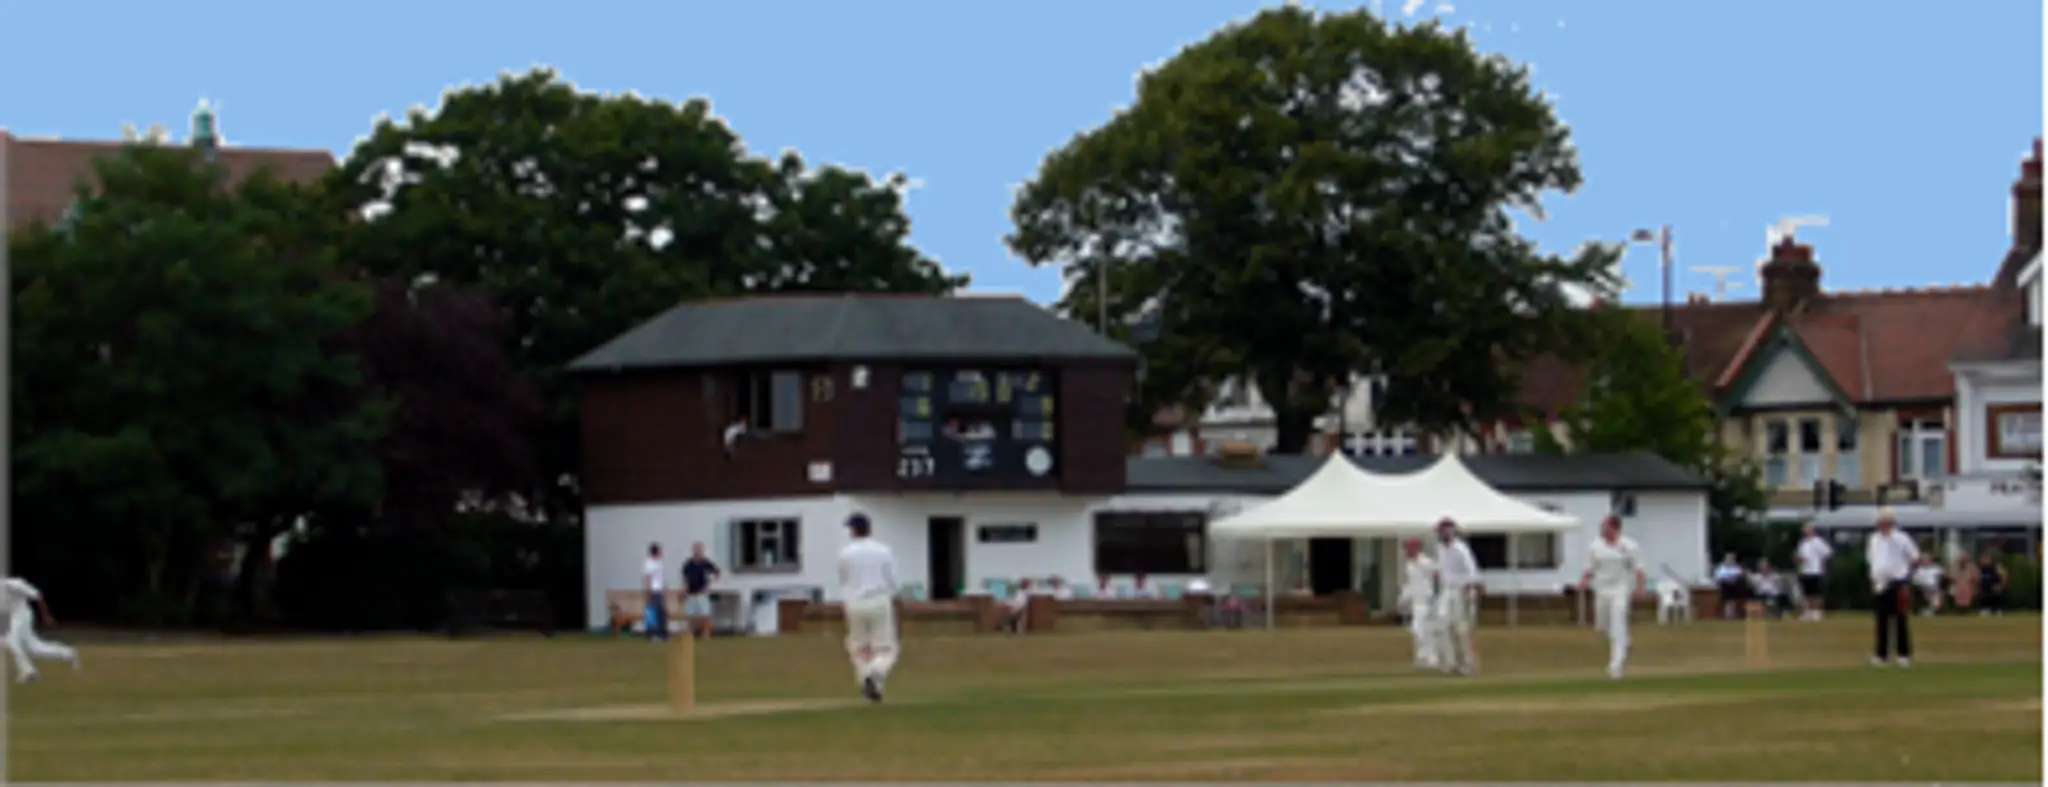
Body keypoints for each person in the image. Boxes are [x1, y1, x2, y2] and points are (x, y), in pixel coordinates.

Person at [838, 512, 901, 702]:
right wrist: (897, 598)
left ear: (854, 530)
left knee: (859, 648)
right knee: (886, 649)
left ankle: (870, 685)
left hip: (854, 602)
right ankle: (875, 673)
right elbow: (892, 579)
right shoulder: (883, 550)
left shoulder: (845, 553)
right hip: (879, 600)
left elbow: (843, 579)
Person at [1578, 515, 1647, 680]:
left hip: (1620, 590)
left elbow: (1639, 569)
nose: (1602, 529)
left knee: (1618, 625)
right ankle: (1625, 641)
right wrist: (1583, 581)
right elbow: (1589, 568)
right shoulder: (1595, 547)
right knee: (1602, 627)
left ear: (1614, 528)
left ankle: (1616, 666)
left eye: (1605, 526)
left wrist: (1640, 588)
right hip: (1601, 590)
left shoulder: (1629, 546)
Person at [1864, 509, 1919, 667]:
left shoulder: (1901, 538)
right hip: (1879, 583)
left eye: (1883, 521)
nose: (1880, 525)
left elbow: (1914, 556)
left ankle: (1903, 654)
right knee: (1881, 620)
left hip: (1897, 581)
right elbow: (1871, 558)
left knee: (1900, 619)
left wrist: (1904, 574)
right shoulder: (1874, 539)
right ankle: (1881, 654)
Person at [1432, 518, 1482, 677]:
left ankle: (1468, 664)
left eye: (1443, 532)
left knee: (1461, 629)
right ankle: (1450, 662)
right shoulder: (1440, 549)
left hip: (1461, 590)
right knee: (1441, 626)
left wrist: (1471, 588)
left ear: (1450, 532)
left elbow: (1472, 570)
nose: (1441, 535)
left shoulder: (1460, 548)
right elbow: (1441, 569)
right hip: (1446, 590)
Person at [6, 577, 79, 683]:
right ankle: (68, 653)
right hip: (13, 619)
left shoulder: (15, 584)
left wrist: (46, 616)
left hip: (22, 616)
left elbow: (37, 596)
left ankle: (29, 672)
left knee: (12, 641)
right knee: (34, 647)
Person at [1398, 537, 1438, 669]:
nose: (1405, 551)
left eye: (1408, 548)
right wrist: (1403, 599)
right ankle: (1423, 657)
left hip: (1427, 600)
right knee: (1419, 630)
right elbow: (1410, 584)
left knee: (1424, 629)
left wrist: (1434, 597)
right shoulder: (1409, 565)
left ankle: (1430, 658)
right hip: (1416, 601)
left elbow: (1437, 577)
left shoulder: (1426, 562)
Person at [680, 542, 722, 640]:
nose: (697, 552)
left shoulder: (706, 563)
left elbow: (716, 573)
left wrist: (710, 585)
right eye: (695, 550)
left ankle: (705, 635)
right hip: (691, 593)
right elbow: (685, 579)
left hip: (702, 593)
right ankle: (690, 634)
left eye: (699, 550)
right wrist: (684, 591)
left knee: (705, 615)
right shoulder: (688, 564)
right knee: (690, 616)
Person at [1793, 525, 1833, 621]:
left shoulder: (1818, 541)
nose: (1806, 532)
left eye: (1808, 530)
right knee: (1807, 593)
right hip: (1804, 570)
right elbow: (1799, 555)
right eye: (1804, 531)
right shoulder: (1803, 543)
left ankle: (1816, 612)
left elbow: (1827, 553)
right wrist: (1799, 560)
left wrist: (1821, 563)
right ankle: (1808, 612)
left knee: (1816, 593)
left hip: (1815, 570)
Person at [642, 543, 669, 642]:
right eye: (660, 551)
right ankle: (652, 634)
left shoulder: (659, 563)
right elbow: (648, 578)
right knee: (653, 614)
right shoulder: (648, 563)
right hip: (653, 591)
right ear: (656, 552)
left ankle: (662, 634)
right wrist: (649, 592)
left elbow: (660, 578)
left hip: (659, 591)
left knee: (662, 613)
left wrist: (663, 590)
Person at [1712, 554, 1747, 619]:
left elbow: (1740, 575)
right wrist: (1728, 579)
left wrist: (1733, 579)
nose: (1730, 561)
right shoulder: (1721, 568)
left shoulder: (1736, 567)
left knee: (1733, 600)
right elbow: (1719, 577)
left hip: (1734, 585)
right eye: (1729, 559)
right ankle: (1728, 614)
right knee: (1728, 600)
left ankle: (1733, 614)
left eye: (1732, 559)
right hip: (1725, 585)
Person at [1975, 552, 2009, 616]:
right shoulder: (1980, 569)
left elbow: (2004, 576)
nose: (1985, 560)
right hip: (1984, 589)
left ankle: (1999, 609)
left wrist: (2002, 586)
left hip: (1994, 587)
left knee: (1996, 592)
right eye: (1984, 558)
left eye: (1987, 558)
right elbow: (1977, 579)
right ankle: (1985, 609)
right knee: (1984, 594)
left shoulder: (1996, 568)